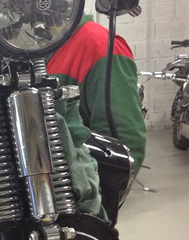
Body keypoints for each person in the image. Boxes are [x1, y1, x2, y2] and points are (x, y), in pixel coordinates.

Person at [47, 13, 147, 174]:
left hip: (69, 183)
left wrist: (91, 188)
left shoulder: (99, 45)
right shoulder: (28, 45)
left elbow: (123, 145)